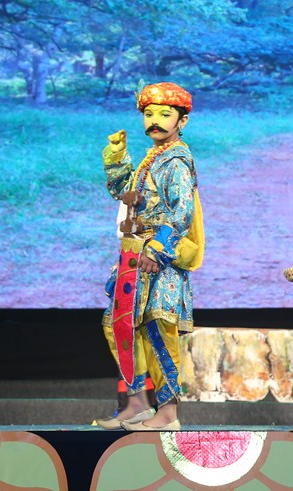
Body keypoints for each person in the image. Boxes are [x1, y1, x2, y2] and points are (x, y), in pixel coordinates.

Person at [94, 82, 203, 432]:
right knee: (120, 325)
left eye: (164, 114)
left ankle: (168, 413)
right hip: (133, 253)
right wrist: (117, 156)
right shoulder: (151, 157)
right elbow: (121, 192)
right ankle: (137, 403)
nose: (154, 120)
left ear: (182, 120)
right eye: (149, 114)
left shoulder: (176, 160)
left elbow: (182, 211)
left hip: (159, 256)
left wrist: (158, 248)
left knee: (158, 326)